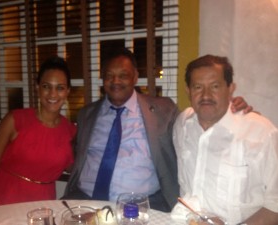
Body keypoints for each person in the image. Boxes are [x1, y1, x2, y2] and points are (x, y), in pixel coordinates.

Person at [63, 48, 251, 212]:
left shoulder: (163, 110)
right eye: (109, 75)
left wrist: (231, 109)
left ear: (135, 77)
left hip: (140, 206)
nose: (116, 81)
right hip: (85, 202)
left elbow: (199, 120)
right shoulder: (87, 114)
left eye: (123, 75)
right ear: (102, 78)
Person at [171, 55, 278, 224]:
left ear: (230, 89)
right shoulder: (182, 124)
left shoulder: (262, 133)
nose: (206, 95)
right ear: (188, 91)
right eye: (198, 87)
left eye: (215, 86)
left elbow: (275, 204)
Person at [0, 56, 76, 208]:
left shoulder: (71, 131)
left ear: (67, 91)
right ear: (37, 88)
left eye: (60, 88)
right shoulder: (15, 120)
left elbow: (77, 168)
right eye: (46, 86)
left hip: (41, 205)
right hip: (0, 199)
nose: (52, 94)